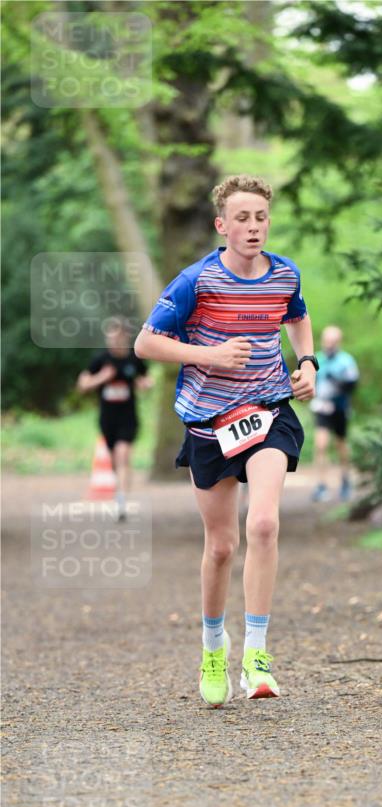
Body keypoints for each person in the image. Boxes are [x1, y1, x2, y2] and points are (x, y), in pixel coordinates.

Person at [134, 174, 317, 708]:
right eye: (242, 218)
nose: (253, 227)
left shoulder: (284, 273)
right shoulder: (196, 281)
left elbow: (298, 318)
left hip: (268, 410)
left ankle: (256, 657)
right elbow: (147, 343)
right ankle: (214, 646)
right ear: (222, 225)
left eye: (260, 217)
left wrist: (306, 363)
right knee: (221, 546)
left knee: (263, 523)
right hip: (208, 423)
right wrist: (209, 357)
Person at [77, 317, 153, 519]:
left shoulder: (133, 359)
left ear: (126, 337)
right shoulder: (100, 360)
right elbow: (82, 384)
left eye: (119, 335)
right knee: (113, 460)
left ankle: (121, 501)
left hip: (128, 417)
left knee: (123, 454)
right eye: (112, 335)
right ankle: (119, 489)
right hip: (107, 418)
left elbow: (147, 378)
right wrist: (101, 378)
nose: (115, 340)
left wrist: (145, 384)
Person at [310, 325, 359, 502]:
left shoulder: (346, 361)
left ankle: (345, 479)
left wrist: (337, 382)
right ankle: (321, 485)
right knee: (321, 445)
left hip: (340, 408)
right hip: (322, 408)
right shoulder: (317, 358)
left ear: (338, 342)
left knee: (341, 445)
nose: (329, 344)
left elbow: (353, 385)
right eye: (327, 341)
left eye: (333, 341)